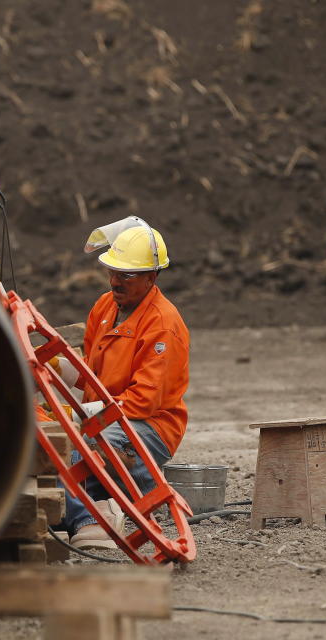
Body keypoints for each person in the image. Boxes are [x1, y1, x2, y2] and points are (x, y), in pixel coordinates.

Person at [58, 217, 190, 550]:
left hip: (149, 427)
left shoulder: (163, 325)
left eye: (127, 276)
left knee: (75, 449)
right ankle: (93, 504)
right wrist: (57, 367)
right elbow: (92, 373)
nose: (116, 281)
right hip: (103, 416)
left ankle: (91, 517)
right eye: (112, 271)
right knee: (44, 436)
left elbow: (143, 402)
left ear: (152, 276)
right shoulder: (105, 307)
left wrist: (83, 414)